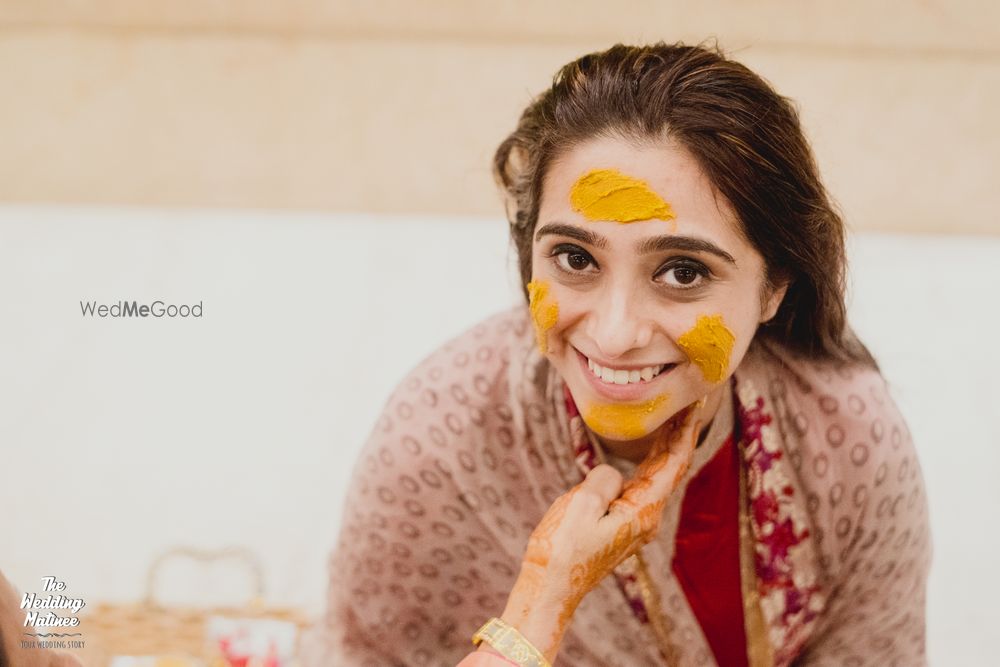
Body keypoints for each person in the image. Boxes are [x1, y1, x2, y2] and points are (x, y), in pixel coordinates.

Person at [299, 42, 931, 666]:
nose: (613, 333)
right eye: (576, 260)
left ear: (774, 288)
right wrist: (540, 605)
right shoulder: (440, 434)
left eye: (682, 272)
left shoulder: (846, 436)